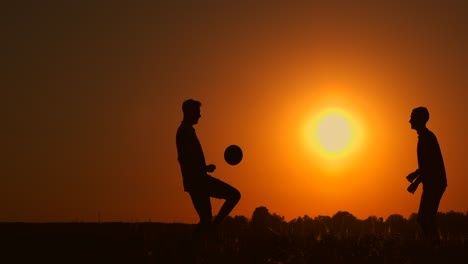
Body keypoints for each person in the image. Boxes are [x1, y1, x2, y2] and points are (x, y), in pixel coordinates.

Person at [176, 99, 241, 241]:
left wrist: (205, 167)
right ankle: (215, 226)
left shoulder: (188, 131)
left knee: (205, 220)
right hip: (198, 181)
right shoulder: (184, 132)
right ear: (190, 112)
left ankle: (191, 251)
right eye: (198, 112)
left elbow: (188, 159)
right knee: (234, 195)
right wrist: (201, 170)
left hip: (197, 180)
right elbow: (184, 160)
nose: (200, 115)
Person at [406, 107, 447, 240]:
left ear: (420, 119)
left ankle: (435, 246)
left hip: (435, 183)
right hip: (433, 182)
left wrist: (416, 183)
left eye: (412, 117)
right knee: (426, 218)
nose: (409, 120)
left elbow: (430, 166)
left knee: (424, 219)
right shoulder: (425, 137)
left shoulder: (427, 138)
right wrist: (415, 174)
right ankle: (434, 245)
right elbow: (426, 164)